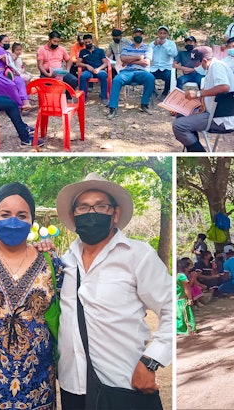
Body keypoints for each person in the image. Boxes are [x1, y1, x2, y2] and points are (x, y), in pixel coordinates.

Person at [55, 173, 172, 410]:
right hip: (72, 388)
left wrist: (151, 361)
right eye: (83, 208)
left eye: (101, 206)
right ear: (73, 216)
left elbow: (172, 308)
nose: (91, 213)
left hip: (124, 387)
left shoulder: (138, 255)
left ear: (115, 214)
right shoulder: (63, 264)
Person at [0, 182, 62, 409]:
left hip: (37, 385)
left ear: (31, 221)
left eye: (22, 215)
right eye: (5, 214)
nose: (13, 221)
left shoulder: (52, 264)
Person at [170, 46, 234, 152]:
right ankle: (192, 149)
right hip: (215, 112)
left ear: (205, 60)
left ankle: (199, 153)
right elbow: (206, 97)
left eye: (197, 63)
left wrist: (198, 93)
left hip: (220, 118)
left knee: (179, 126)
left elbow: (224, 87)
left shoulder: (216, 66)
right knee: (181, 114)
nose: (195, 67)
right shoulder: (211, 68)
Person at [108, 27, 157, 116]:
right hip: (127, 71)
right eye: (136, 34)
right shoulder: (126, 47)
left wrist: (129, 60)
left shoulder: (148, 48)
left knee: (151, 78)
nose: (138, 36)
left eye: (140, 34)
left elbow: (146, 62)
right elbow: (122, 59)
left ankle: (144, 104)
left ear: (143, 36)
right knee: (116, 80)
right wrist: (138, 57)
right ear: (132, 36)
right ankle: (113, 107)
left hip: (141, 72)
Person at [0, 34, 30, 108]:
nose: (7, 43)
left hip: (3, 73)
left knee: (20, 80)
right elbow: (6, 60)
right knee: (11, 85)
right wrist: (11, 56)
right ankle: (19, 105)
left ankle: (26, 103)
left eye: (8, 42)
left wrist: (11, 56)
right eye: (5, 41)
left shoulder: (4, 51)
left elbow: (12, 58)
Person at [77, 33, 110, 102]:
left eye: (89, 42)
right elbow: (78, 63)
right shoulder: (82, 51)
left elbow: (105, 63)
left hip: (99, 69)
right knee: (83, 76)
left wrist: (99, 69)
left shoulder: (100, 51)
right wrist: (87, 65)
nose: (87, 44)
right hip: (88, 70)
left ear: (92, 41)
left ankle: (104, 97)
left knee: (103, 75)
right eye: (86, 42)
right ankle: (83, 98)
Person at [150, 26, 178, 98]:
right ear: (158, 34)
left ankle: (165, 92)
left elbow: (174, 54)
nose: (162, 35)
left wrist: (165, 45)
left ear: (167, 34)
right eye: (160, 33)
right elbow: (147, 52)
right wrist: (154, 45)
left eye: (164, 33)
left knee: (169, 76)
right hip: (154, 67)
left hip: (166, 67)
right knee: (148, 76)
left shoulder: (171, 44)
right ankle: (153, 91)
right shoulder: (153, 43)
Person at [176, 258, 196, 335]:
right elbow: (187, 288)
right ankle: (189, 330)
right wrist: (190, 298)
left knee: (178, 316)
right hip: (182, 300)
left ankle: (178, 330)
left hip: (175, 300)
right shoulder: (182, 276)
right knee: (186, 315)